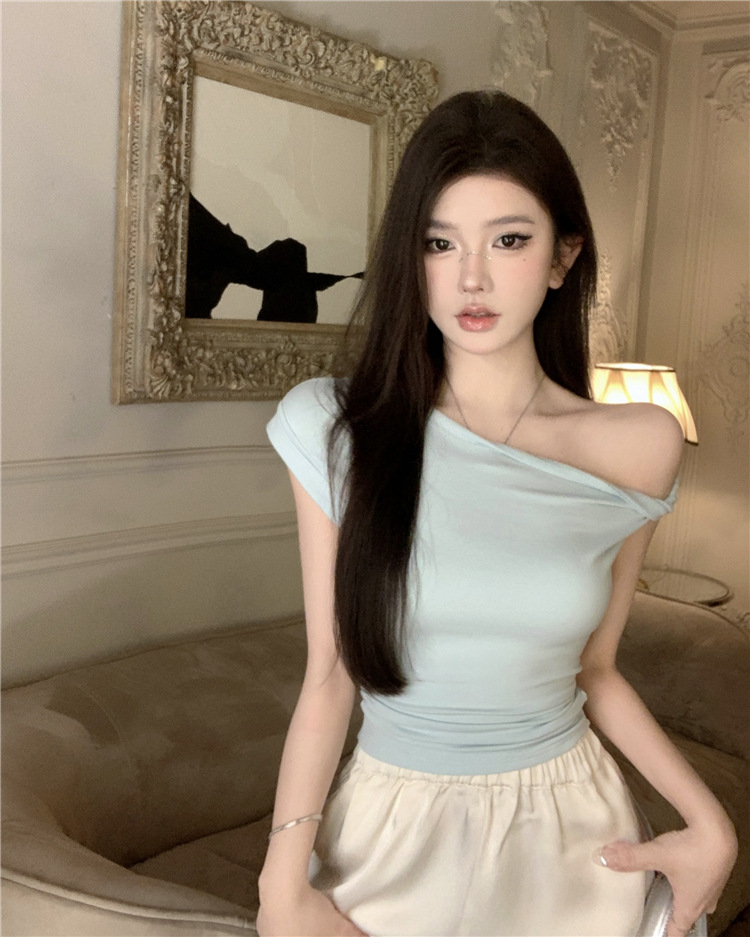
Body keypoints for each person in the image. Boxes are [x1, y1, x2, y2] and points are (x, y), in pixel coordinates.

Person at [257, 90, 737, 937]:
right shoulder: (335, 427)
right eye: (439, 243)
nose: (470, 278)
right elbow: (329, 674)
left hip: (571, 836)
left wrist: (711, 824)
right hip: (391, 832)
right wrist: (280, 886)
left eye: (509, 240)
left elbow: (597, 670)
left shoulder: (638, 444)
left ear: (563, 256)